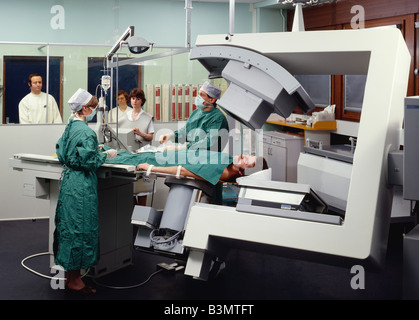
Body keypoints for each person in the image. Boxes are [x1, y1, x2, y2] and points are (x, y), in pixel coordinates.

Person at [53, 88, 117, 295]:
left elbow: (63, 152)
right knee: (81, 230)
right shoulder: (87, 132)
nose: (94, 110)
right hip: (81, 186)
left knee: (70, 229)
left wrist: (92, 149)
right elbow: (89, 163)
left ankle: (72, 277)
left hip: (69, 182)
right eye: (92, 107)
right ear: (84, 108)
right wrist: (106, 155)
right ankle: (75, 281)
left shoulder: (70, 126)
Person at [159, 81, 229, 152]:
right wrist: (172, 136)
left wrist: (182, 149)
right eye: (198, 94)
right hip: (193, 156)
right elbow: (186, 131)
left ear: (212, 100)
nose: (198, 97)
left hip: (208, 159)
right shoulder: (196, 113)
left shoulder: (218, 118)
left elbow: (209, 143)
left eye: (202, 95)